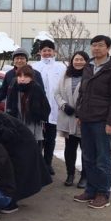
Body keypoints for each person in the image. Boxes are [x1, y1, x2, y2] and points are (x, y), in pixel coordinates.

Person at [0, 97, 52, 213]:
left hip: (22, 146)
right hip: (12, 147)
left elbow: (12, 135)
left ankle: (11, 203)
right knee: (10, 171)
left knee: (16, 173)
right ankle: (8, 199)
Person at [75, 35, 111, 209]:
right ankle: (91, 190)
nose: (96, 48)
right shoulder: (88, 67)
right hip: (87, 119)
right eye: (94, 45)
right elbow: (82, 94)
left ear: (108, 48)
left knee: (102, 159)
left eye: (100, 45)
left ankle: (103, 193)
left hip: (102, 121)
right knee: (87, 157)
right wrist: (79, 115)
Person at [54, 51, 90, 188]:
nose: (78, 62)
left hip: (83, 118)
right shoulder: (66, 74)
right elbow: (56, 93)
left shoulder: (90, 76)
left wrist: (82, 112)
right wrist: (63, 105)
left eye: (82, 59)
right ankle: (70, 174)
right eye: (76, 59)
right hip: (68, 116)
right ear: (72, 61)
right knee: (70, 148)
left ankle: (85, 177)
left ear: (86, 61)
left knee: (85, 149)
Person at [32, 40, 66, 176]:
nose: (47, 53)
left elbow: (63, 88)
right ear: (40, 52)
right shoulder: (34, 67)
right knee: (38, 138)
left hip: (53, 109)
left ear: (54, 52)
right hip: (38, 110)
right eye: (44, 50)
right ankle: (38, 164)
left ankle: (48, 163)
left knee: (50, 139)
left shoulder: (60, 68)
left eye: (49, 50)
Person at [5, 65, 50, 142]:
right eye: (19, 76)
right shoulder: (13, 88)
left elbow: (45, 108)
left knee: (31, 147)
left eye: (25, 76)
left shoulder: (36, 89)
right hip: (16, 123)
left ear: (31, 78)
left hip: (32, 124)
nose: (22, 79)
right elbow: (8, 106)